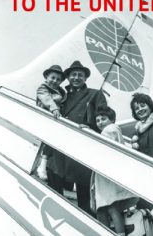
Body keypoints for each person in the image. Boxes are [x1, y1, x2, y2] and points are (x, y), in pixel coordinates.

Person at [45, 60, 107, 214]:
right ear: (68, 77)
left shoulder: (95, 94)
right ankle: (58, 213)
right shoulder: (61, 95)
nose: (77, 78)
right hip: (60, 146)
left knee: (84, 194)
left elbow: (105, 116)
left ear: (85, 78)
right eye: (73, 75)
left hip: (83, 147)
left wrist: (91, 127)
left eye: (80, 75)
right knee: (54, 177)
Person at [91, 106, 139, 236]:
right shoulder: (113, 130)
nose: (100, 122)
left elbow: (106, 150)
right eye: (98, 120)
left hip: (106, 175)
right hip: (108, 175)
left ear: (112, 120)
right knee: (109, 207)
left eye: (103, 119)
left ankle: (112, 233)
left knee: (106, 207)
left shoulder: (109, 130)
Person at [35, 65, 66, 181]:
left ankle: (43, 166)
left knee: (50, 143)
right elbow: (46, 98)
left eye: (58, 79)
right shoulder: (42, 88)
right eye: (52, 77)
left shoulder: (61, 91)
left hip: (54, 120)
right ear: (46, 77)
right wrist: (54, 108)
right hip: (45, 117)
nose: (55, 81)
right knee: (45, 142)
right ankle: (41, 167)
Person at [130, 93, 153, 158]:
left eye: (143, 106)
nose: (140, 109)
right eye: (137, 108)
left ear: (150, 107)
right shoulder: (136, 131)